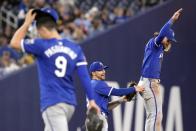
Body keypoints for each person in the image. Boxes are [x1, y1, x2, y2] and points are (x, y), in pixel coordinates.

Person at [10, 8, 100, 131]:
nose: (38, 34)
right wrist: (92, 101)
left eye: (38, 32)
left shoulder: (41, 45)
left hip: (53, 103)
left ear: (43, 30)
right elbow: (84, 77)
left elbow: (14, 43)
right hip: (69, 104)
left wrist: (26, 23)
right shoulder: (75, 48)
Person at [138, 8, 183, 131]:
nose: (169, 43)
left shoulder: (158, 47)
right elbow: (163, 31)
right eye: (168, 39)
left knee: (155, 115)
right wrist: (172, 20)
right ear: (163, 37)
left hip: (147, 81)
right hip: (149, 82)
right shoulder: (155, 43)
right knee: (156, 115)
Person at [88, 61, 145, 131]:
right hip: (97, 120)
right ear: (93, 73)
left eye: (103, 69)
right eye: (100, 70)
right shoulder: (97, 84)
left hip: (94, 119)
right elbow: (117, 92)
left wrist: (121, 100)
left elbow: (106, 107)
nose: (103, 72)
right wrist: (134, 88)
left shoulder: (92, 84)